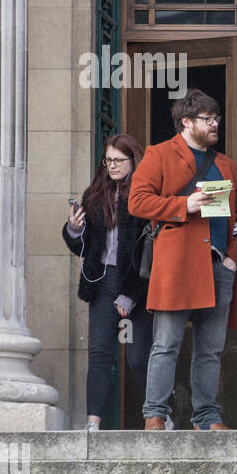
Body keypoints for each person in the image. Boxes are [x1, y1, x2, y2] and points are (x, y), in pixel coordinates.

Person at [128, 90, 237, 431]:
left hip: (219, 266)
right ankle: (154, 415)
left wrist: (235, 258)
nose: (215, 125)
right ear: (187, 122)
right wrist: (184, 206)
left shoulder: (227, 164)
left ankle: (207, 417)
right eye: (208, 119)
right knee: (166, 343)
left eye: (217, 119)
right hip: (176, 265)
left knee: (211, 349)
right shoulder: (158, 154)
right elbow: (137, 202)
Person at [62, 134, 153, 431]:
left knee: (139, 356)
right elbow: (84, 247)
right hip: (102, 279)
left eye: (118, 160)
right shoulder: (94, 196)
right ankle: (93, 423)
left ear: (133, 161)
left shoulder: (145, 197)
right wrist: (74, 230)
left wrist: (130, 295)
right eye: (108, 160)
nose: (112, 166)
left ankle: (158, 414)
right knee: (100, 352)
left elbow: (149, 254)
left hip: (137, 281)